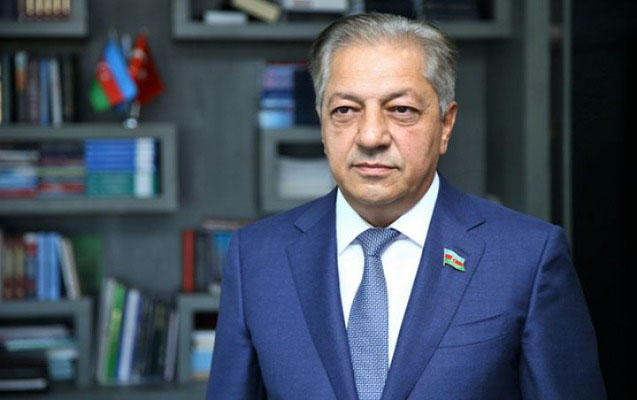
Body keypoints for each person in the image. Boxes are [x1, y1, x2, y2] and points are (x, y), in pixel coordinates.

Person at [206, 13, 606, 400]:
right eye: (345, 110)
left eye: (401, 110)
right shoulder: (256, 258)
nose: (371, 136)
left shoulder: (527, 258)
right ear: (322, 124)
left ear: (445, 124)